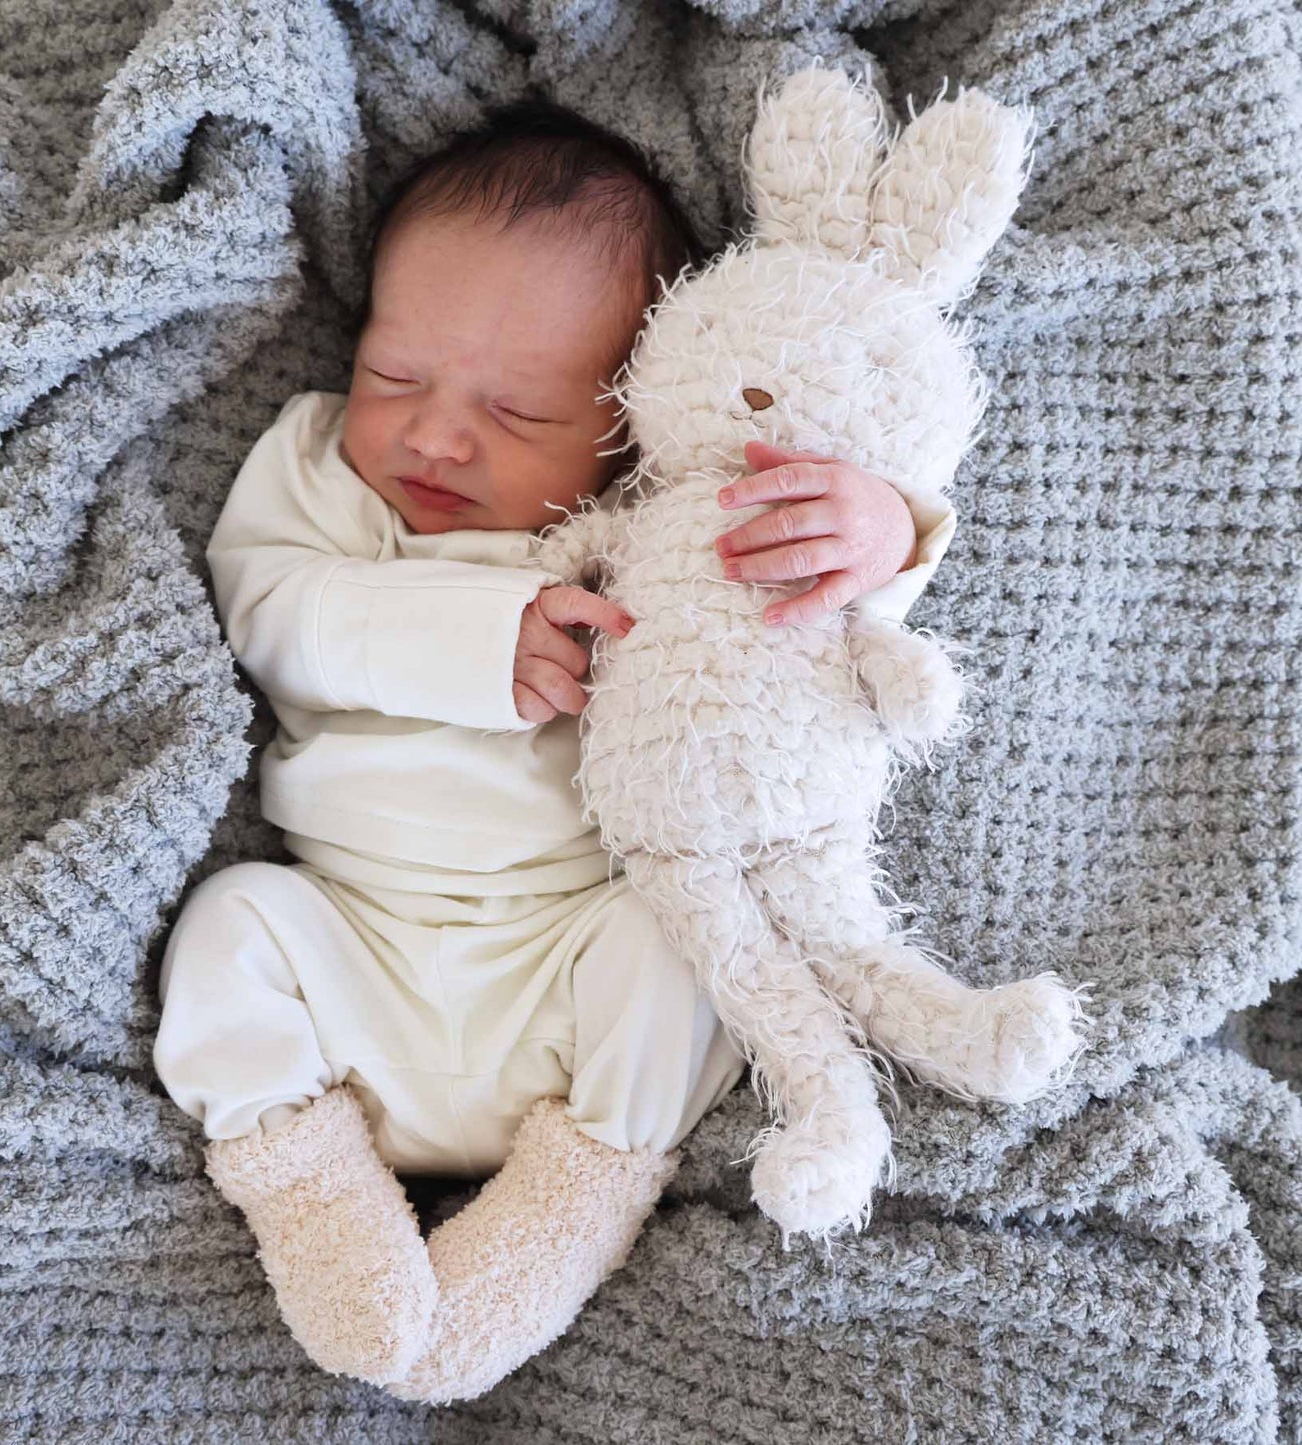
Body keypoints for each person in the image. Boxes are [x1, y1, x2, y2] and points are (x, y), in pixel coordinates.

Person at [151, 94, 954, 1403]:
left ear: (629, 419)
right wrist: (481, 638)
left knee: (678, 950)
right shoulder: (317, 475)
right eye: (394, 374)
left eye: (518, 414)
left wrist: (879, 534)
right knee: (230, 923)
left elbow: (798, 634)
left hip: (564, 976)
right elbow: (269, 615)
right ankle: (308, 1188)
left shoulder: (657, 518)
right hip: (353, 956)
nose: (435, 433)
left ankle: (566, 1213)